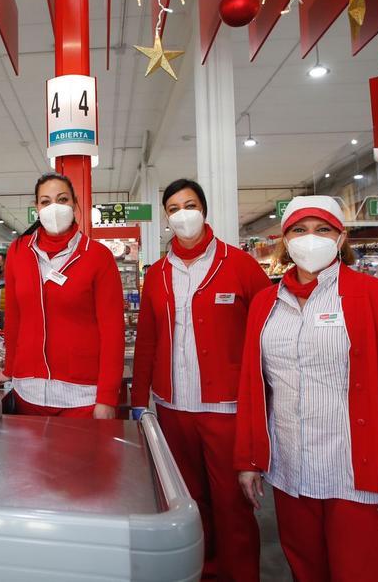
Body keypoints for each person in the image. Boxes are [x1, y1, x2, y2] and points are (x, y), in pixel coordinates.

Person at [234, 196, 378, 582]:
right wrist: (248, 459)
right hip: (291, 474)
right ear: (284, 240)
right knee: (306, 571)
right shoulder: (266, 304)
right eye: (299, 230)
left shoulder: (377, 298)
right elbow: (255, 388)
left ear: (340, 236)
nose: (310, 239)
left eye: (322, 230)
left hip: (359, 480)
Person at [131, 178, 271, 582]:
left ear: (204, 210)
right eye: (173, 208)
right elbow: (147, 341)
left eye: (189, 204)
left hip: (227, 410)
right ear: (166, 218)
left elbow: (267, 332)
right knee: (189, 504)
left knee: (234, 505)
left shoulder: (240, 265)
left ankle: (241, 575)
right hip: (174, 410)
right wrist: (140, 399)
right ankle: (205, 573)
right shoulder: (157, 273)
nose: (182, 214)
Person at [0, 173, 125, 419]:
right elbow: (14, 318)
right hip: (27, 391)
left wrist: (107, 397)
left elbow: (113, 331)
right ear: (37, 208)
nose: (54, 208)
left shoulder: (97, 256)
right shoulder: (19, 251)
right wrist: (9, 369)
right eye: (45, 201)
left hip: (82, 395)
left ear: (74, 204)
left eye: (62, 200)